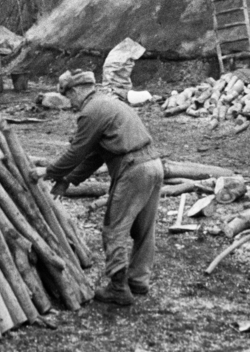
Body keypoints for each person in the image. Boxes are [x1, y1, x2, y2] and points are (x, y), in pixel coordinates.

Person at [41, 68, 164, 307]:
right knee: (144, 228)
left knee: (113, 229)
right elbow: (95, 155)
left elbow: (77, 150)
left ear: (75, 90)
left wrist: (49, 172)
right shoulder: (108, 103)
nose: (71, 105)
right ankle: (138, 280)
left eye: (69, 98)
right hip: (153, 165)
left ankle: (118, 288)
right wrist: (68, 180)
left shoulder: (90, 112)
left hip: (134, 169)